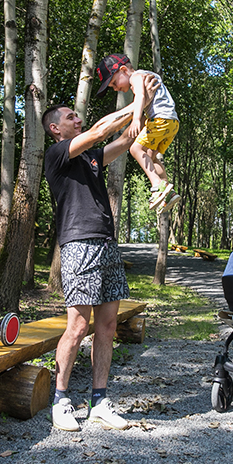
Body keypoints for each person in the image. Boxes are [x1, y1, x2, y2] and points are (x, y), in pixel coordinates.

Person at [41, 84, 157, 432]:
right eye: (69, 116)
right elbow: (98, 132)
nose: (77, 118)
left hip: (107, 244)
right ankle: (60, 400)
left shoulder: (91, 159)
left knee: (106, 326)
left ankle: (99, 401)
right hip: (79, 245)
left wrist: (148, 107)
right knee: (77, 327)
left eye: (77, 115)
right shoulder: (58, 154)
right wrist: (134, 103)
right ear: (55, 129)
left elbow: (122, 142)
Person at [94, 53, 181, 213]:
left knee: (135, 149)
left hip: (159, 119)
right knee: (150, 156)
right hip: (172, 123)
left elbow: (141, 96)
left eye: (114, 83)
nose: (115, 88)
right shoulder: (147, 75)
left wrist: (136, 119)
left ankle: (157, 185)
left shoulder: (136, 76)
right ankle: (168, 192)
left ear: (124, 70)